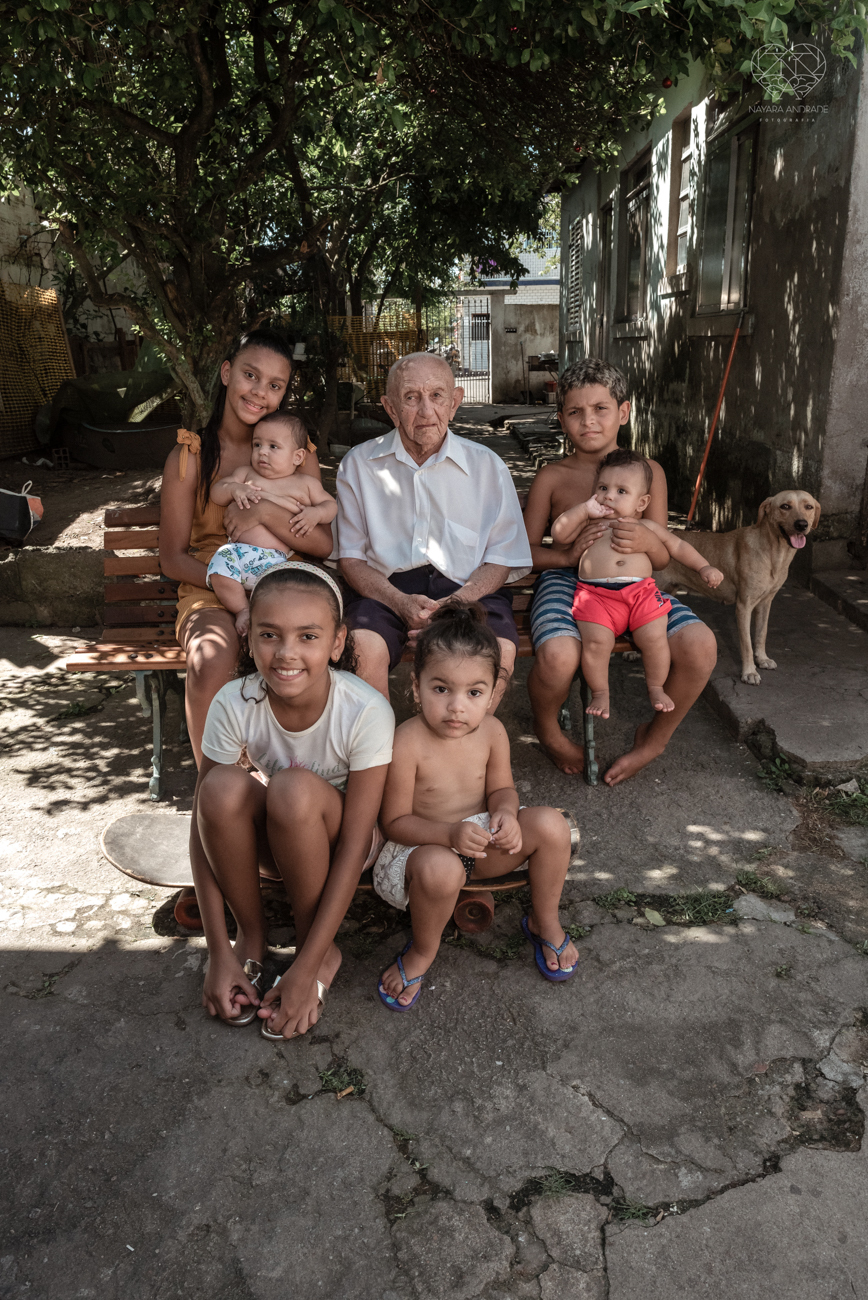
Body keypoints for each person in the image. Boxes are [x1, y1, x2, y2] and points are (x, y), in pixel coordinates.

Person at [191, 563, 394, 1036]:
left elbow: (354, 842)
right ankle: (252, 938)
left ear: (338, 642)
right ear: (248, 637)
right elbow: (201, 827)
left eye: (308, 636)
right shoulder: (232, 702)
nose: (286, 653)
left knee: (293, 786)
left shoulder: (365, 711)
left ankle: (316, 948)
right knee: (219, 787)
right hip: (279, 840)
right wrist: (218, 951)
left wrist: (308, 963)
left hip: (350, 843)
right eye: (269, 634)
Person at [524, 358, 718, 785]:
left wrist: (650, 543)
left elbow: (663, 554)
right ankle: (548, 730)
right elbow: (523, 551)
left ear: (624, 412)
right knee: (558, 655)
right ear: (561, 420)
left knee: (701, 645)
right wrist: (565, 557)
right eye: (575, 412)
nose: (588, 421)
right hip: (566, 583)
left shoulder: (651, 474)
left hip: (637, 587)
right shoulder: (552, 477)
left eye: (600, 408)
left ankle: (654, 739)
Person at [374, 603, 578, 1010]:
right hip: (422, 853)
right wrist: (448, 834)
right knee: (441, 867)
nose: (457, 706)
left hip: (481, 843)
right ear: (416, 688)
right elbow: (394, 822)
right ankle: (423, 950)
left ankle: (545, 920)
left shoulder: (493, 732)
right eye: (441, 689)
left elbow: (502, 789)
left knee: (554, 825)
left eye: (473, 692)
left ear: (491, 694)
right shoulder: (407, 741)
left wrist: (505, 813)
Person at [159, 330, 333, 762]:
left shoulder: (298, 453)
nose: (260, 392)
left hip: (287, 581)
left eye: (275, 385)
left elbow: (322, 544)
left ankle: (304, 772)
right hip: (212, 589)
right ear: (226, 373)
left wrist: (261, 515)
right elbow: (172, 558)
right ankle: (213, 786)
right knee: (211, 659)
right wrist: (233, 582)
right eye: (250, 375)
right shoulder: (192, 456)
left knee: (324, 648)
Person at [336, 352, 531, 709]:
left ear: (455, 402)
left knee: (499, 651)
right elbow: (351, 559)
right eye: (411, 398)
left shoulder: (487, 466)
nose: (426, 411)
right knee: (362, 648)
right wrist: (399, 601)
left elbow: (501, 557)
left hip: (470, 590)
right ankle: (384, 756)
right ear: (390, 408)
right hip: (387, 591)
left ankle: (463, 754)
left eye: (437, 395)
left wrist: (460, 601)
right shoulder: (358, 465)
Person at [551, 449, 723, 719]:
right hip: (595, 596)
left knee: (654, 638)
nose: (609, 495)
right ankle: (600, 692)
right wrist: (583, 510)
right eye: (603, 488)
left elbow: (677, 546)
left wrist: (704, 566)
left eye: (621, 491)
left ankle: (655, 687)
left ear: (641, 502)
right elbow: (559, 533)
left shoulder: (646, 527)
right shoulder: (590, 520)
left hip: (640, 593)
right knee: (596, 643)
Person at [206, 411, 338, 636]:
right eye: (257, 444)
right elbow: (217, 493)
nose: (262, 452)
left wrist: (315, 513)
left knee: (282, 592)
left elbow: (330, 505)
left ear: (297, 457)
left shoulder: (304, 484)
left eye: (273, 447)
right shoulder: (246, 474)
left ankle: (266, 622)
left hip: (274, 560)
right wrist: (235, 488)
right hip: (236, 553)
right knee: (219, 565)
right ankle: (242, 610)